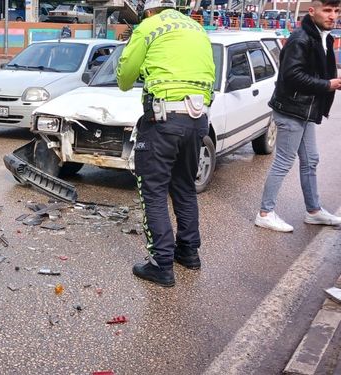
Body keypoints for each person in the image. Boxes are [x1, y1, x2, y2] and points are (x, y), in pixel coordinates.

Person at [116, 0, 215, 287]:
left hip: (163, 120)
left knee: (154, 191)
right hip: (198, 120)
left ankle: (161, 264)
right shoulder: (197, 28)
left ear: (148, 10)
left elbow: (124, 79)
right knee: (184, 187)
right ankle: (189, 253)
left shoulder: (149, 27)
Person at [254, 0, 341, 232]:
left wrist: (329, 83)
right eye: (328, 10)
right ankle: (265, 213)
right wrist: (328, 85)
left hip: (305, 110)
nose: (333, 16)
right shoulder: (301, 38)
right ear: (312, 11)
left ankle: (313, 211)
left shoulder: (324, 36)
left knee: (311, 159)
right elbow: (292, 76)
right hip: (291, 109)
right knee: (283, 161)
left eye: (337, 11)